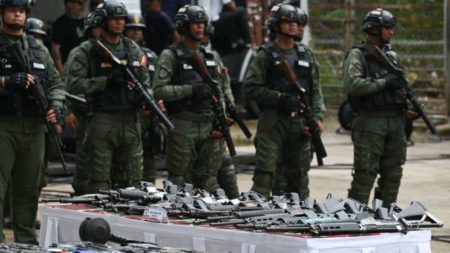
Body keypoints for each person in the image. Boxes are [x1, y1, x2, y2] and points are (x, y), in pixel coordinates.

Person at [65, 0, 150, 192]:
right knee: (99, 181)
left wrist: (145, 98)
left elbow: (145, 82)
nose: (120, 22)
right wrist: (104, 82)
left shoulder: (133, 49)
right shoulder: (86, 51)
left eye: (122, 19)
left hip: (130, 120)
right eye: (114, 19)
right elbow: (72, 85)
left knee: (133, 180)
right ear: (103, 21)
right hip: (103, 119)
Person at [0, 0, 65, 243]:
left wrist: (56, 107)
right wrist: (6, 81)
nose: (17, 14)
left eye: (21, 10)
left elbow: (56, 85)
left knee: (28, 189)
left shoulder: (39, 49)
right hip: (4, 124)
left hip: (35, 127)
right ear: (2, 12)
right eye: (11, 9)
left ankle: (25, 240)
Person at [244, 3, 325, 199]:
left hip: (300, 124)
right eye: (288, 22)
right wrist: (278, 98)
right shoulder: (266, 56)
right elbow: (251, 88)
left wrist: (317, 118)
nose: (294, 26)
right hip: (273, 123)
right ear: (276, 25)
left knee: (298, 180)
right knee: (265, 177)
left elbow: (316, 91)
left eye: (296, 22)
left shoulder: (306, 54)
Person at [343, 8, 414, 207]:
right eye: (387, 28)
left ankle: (385, 217)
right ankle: (354, 219)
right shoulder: (358, 55)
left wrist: (408, 105)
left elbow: (401, 85)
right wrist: (383, 84)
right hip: (370, 123)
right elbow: (352, 85)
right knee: (365, 175)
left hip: (395, 121)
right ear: (374, 29)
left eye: (392, 28)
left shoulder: (392, 56)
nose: (391, 32)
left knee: (393, 173)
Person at [153, 5, 224, 192]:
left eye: (202, 23)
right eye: (195, 23)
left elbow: (220, 89)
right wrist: (190, 90)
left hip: (209, 124)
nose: (200, 27)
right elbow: (159, 90)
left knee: (208, 180)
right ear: (183, 26)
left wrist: (221, 118)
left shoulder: (211, 56)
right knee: (177, 179)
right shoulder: (170, 56)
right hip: (184, 122)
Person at [65, 11, 101, 195]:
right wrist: (68, 111)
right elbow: (70, 86)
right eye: (98, 27)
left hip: (113, 113)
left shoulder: (126, 48)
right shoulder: (81, 52)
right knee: (85, 161)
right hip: (86, 113)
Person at [124, 12, 159, 183]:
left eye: (139, 30)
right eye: (132, 29)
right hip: (131, 114)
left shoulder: (151, 56)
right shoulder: (121, 53)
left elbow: (159, 83)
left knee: (149, 162)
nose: (136, 33)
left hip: (150, 115)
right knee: (128, 163)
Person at [51, 0, 86, 75]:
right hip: (67, 68)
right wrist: (61, 70)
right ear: (69, 3)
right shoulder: (61, 23)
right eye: (79, 3)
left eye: (83, 3)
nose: (82, 7)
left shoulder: (84, 22)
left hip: (82, 68)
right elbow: (55, 49)